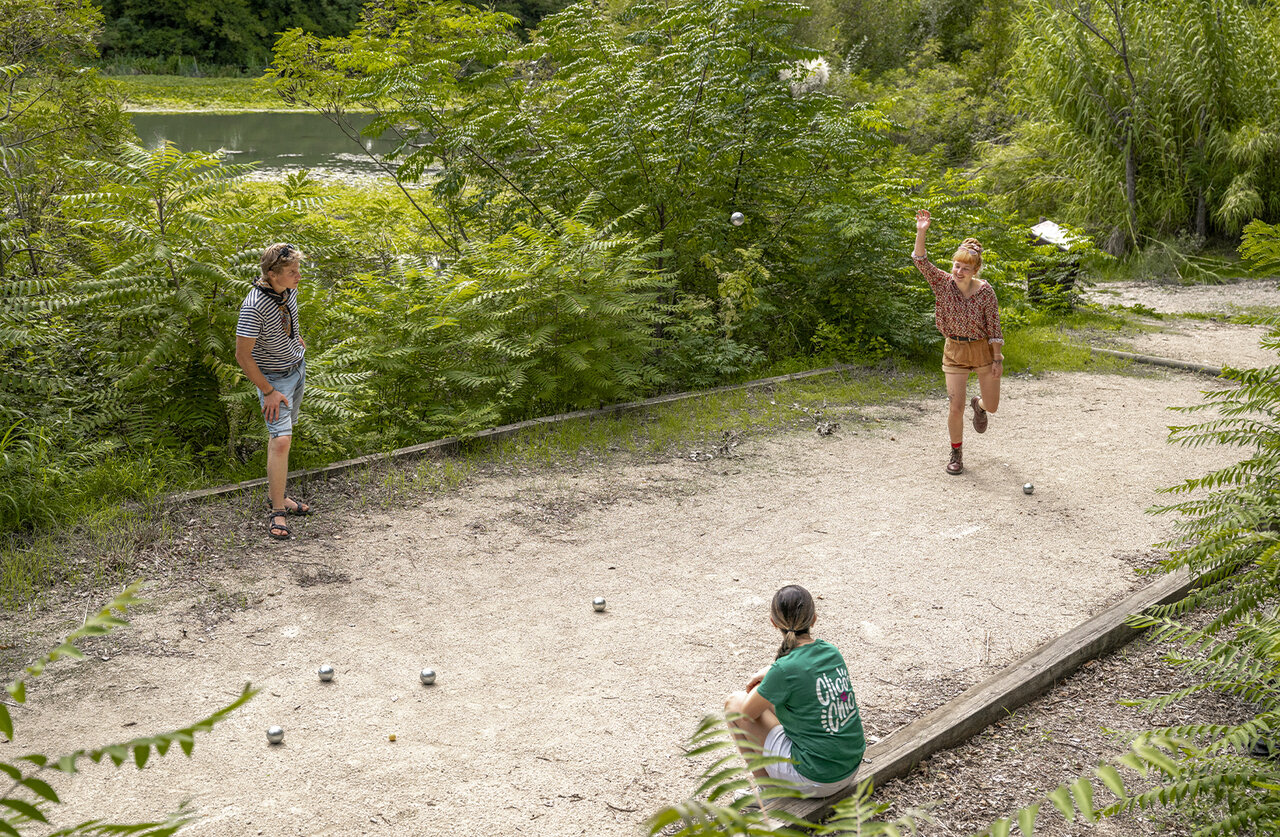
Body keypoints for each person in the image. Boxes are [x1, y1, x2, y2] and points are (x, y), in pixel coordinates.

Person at [724, 584, 866, 802]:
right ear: (814, 618)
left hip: (817, 781)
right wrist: (771, 673)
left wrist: (768, 675)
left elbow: (746, 713)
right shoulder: (832, 652)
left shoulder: (784, 670)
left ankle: (768, 794)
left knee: (734, 704)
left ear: (773, 623)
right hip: (849, 769)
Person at [912, 209, 1004, 476]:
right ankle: (956, 452)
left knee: (993, 405)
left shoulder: (985, 291)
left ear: (975, 270)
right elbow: (920, 260)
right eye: (956, 265)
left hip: (982, 349)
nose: (959, 271)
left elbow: (994, 326)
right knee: (955, 405)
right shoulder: (942, 283)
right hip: (954, 349)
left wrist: (997, 358)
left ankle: (980, 406)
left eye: (965, 268)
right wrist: (922, 231)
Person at [235, 243, 312, 540]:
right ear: (271, 274)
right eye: (292, 272)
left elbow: (286, 319)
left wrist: (295, 338)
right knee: (281, 441)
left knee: (286, 432)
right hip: (274, 381)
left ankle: (277, 495)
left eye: (298, 270)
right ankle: (277, 510)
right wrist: (268, 391)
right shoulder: (253, 306)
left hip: (297, 368)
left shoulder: (287, 289)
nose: (299, 276)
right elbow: (243, 356)